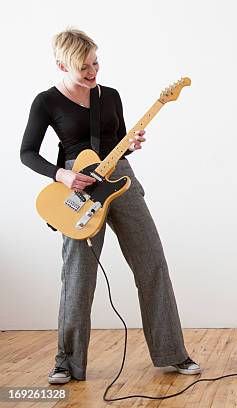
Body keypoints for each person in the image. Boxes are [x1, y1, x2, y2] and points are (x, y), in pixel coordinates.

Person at [20, 28, 201, 384]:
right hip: (77, 184)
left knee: (152, 261)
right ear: (61, 64)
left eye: (95, 62)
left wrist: (131, 144)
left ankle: (173, 353)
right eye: (83, 67)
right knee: (77, 276)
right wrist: (62, 176)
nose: (92, 72)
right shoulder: (46, 101)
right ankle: (67, 363)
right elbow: (26, 152)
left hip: (121, 179)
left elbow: (116, 142)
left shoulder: (111, 95)